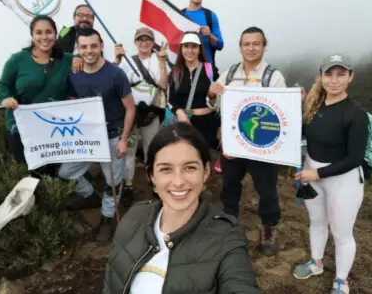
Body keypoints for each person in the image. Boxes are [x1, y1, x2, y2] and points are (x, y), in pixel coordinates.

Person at [103, 122, 261, 294]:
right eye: (166, 169)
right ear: (152, 176)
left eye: (189, 167)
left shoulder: (226, 237)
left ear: (206, 171)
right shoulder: (134, 216)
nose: (178, 181)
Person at [292, 54, 368, 294]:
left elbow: (355, 158)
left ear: (350, 77)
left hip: (343, 180)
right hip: (313, 172)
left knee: (341, 232)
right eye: (329, 74)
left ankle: (341, 280)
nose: (334, 81)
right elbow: (302, 132)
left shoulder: (356, 114)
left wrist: (318, 173)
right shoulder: (316, 105)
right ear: (321, 76)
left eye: (340, 74)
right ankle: (316, 263)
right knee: (316, 221)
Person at [207, 26, 286, 256]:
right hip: (233, 146)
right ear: (240, 47)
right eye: (246, 44)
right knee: (230, 186)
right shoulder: (230, 73)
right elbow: (215, 105)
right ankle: (229, 224)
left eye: (256, 43)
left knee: (267, 190)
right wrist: (212, 93)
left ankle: (269, 227)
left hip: (264, 148)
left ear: (264, 46)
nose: (251, 48)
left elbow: (281, 114)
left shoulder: (274, 76)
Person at [58, 27, 136, 243]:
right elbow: (73, 101)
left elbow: (130, 108)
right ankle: (89, 194)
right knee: (66, 171)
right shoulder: (74, 75)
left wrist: (123, 139)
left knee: (114, 182)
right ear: (78, 49)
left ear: (101, 46)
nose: (89, 51)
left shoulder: (115, 74)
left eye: (93, 46)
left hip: (113, 135)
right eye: (84, 47)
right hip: (87, 138)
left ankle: (107, 218)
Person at [0, 15, 75, 173]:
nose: (44, 37)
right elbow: (3, 85)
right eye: (39, 33)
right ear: (32, 36)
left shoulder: (66, 60)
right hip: (20, 128)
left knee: (52, 172)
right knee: (27, 171)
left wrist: (78, 59)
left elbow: (91, 60)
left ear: (55, 34)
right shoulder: (17, 60)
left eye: (49, 32)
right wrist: (6, 98)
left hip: (53, 128)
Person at [114, 27, 170, 207]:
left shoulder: (158, 60)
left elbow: (163, 85)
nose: (144, 42)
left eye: (148, 39)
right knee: (129, 152)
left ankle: (156, 186)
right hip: (130, 115)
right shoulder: (127, 61)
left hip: (151, 114)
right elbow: (115, 83)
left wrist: (162, 64)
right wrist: (116, 60)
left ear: (153, 42)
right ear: (135, 42)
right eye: (140, 39)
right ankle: (128, 186)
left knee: (151, 151)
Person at [168, 31, 219, 150]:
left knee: (205, 159)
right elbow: (170, 100)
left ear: (200, 49)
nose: (190, 50)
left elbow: (220, 100)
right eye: (186, 46)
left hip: (208, 124)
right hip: (184, 123)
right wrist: (180, 113)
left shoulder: (210, 69)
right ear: (181, 49)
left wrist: (212, 96)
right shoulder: (175, 72)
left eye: (194, 46)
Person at [182, 0, 224, 80]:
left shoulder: (210, 16)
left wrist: (209, 35)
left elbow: (220, 45)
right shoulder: (180, 15)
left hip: (206, 68)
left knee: (208, 95)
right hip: (184, 68)